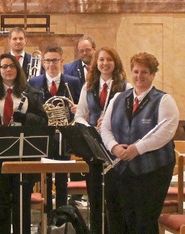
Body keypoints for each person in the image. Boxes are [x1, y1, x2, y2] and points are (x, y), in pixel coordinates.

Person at [100, 52, 179, 233]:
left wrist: (138, 148)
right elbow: (105, 127)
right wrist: (114, 146)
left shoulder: (164, 100)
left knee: (144, 221)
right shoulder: (118, 98)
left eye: (144, 72)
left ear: (152, 75)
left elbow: (165, 132)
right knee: (122, 220)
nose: (139, 76)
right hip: (122, 169)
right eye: (136, 71)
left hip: (153, 171)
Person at [0, 54, 47, 234]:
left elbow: (42, 121)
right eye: (4, 67)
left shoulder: (30, 93)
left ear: (18, 69)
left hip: (24, 157)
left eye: (12, 66)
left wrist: (25, 118)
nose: (8, 70)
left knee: (22, 205)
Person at [74, 46, 131, 234]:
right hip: (93, 146)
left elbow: (129, 119)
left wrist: (109, 125)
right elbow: (80, 115)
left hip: (115, 149)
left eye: (109, 60)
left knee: (114, 197)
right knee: (95, 195)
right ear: (95, 63)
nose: (105, 63)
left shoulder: (126, 88)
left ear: (116, 63)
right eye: (101, 60)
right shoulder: (88, 87)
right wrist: (90, 126)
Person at [27, 44, 81, 210]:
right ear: (43, 63)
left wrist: (77, 108)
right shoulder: (34, 82)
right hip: (43, 136)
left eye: (55, 60)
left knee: (62, 176)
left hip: (65, 137)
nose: (52, 64)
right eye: (48, 61)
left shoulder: (73, 82)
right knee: (45, 177)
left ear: (62, 61)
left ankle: (63, 214)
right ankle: (47, 213)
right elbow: (29, 109)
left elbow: (81, 108)